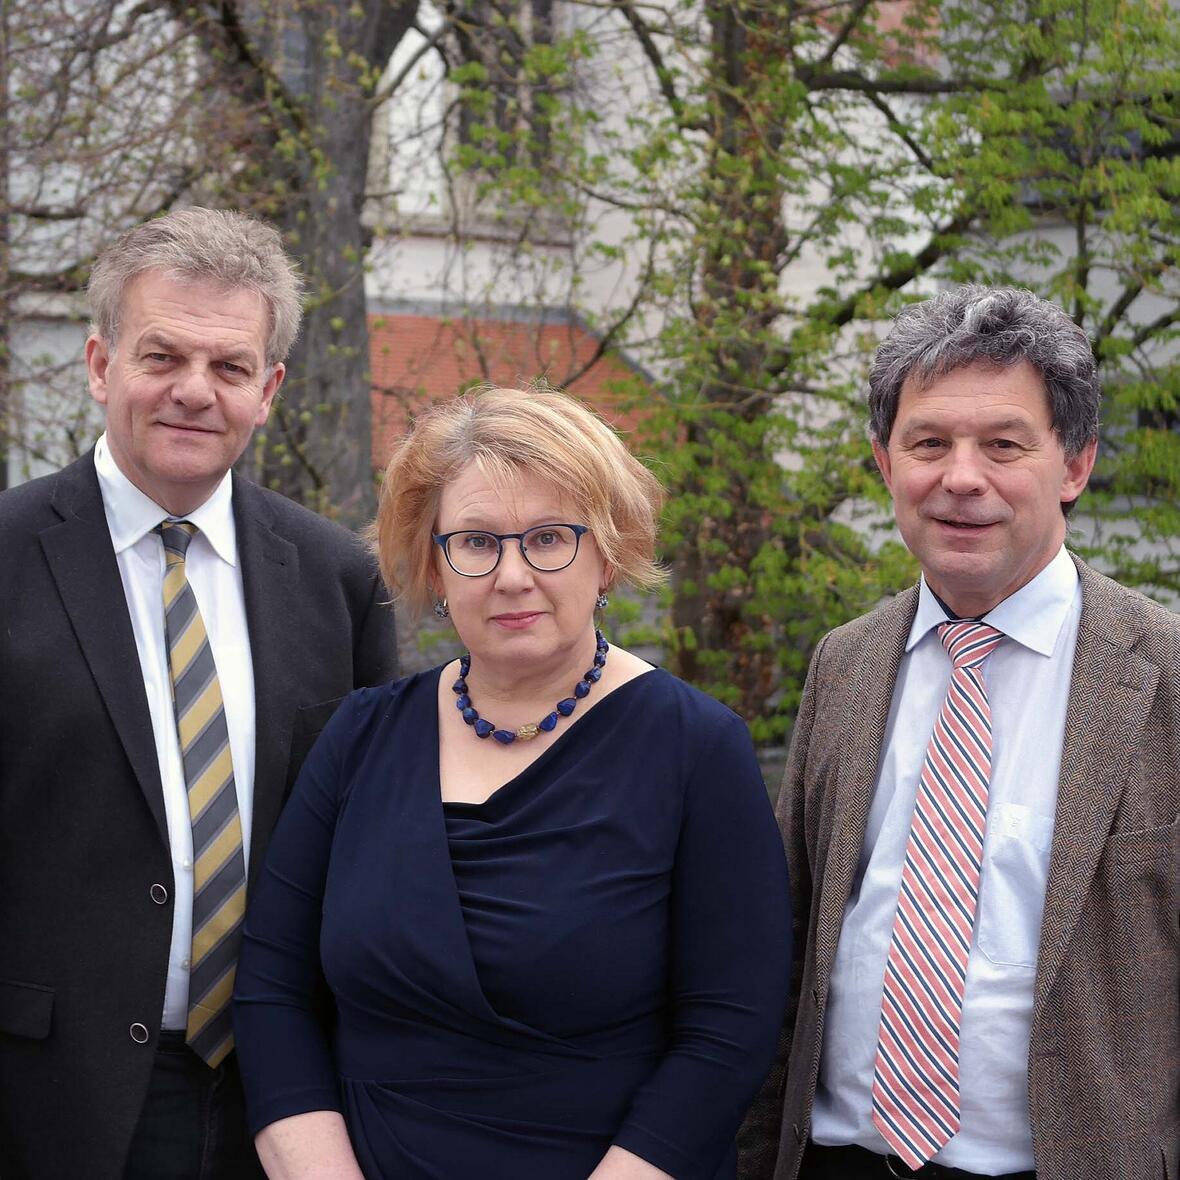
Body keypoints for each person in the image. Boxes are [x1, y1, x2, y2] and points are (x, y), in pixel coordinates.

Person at [233, 385, 792, 1180]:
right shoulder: (357, 737)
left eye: (550, 538)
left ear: (607, 552)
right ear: (435, 562)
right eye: (477, 543)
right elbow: (272, 993)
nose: (513, 574)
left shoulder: (697, 748)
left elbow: (727, 1035)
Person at [739, 284, 1180, 1180]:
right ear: (883, 461)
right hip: (837, 1158)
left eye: (1004, 444)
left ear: (1076, 465)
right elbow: (783, 940)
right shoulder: (846, 664)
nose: (962, 477)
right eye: (928, 443)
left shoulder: (1163, 674)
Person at [0, 208, 398, 1180]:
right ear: (100, 365)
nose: (192, 391)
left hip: (285, 1102)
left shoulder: (338, 578)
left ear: (267, 390)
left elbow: (375, 844)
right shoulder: (6, 558)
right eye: (161, 355)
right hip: (46, 1101)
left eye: (227, 368)